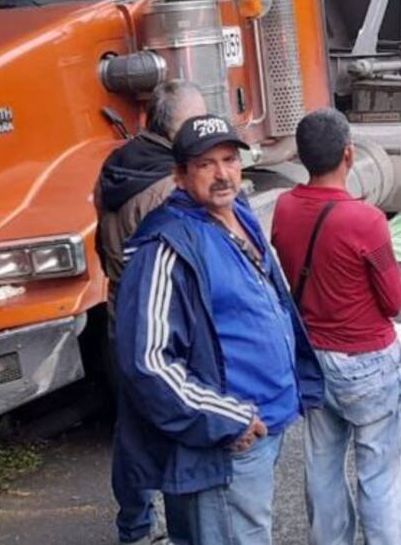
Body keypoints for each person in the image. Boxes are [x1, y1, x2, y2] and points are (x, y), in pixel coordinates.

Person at [113, 114, 324, 545]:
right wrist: (231, 419)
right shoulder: (166, 246)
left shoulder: (237, 213)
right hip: (229, 442)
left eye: (229, 159)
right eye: (206, 164)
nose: (222, 173)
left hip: (265, 424)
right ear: (179, 175)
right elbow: (147, 362)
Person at [271, 109, 401, 545]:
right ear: (349, 155)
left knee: (323, 470)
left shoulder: (284, 207)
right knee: (381, 477)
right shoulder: (366, 220)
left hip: (314, 358)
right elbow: (394, 301)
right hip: (367, 361)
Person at [96, 81, 207, 545]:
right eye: (197, 121)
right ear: (177, 127)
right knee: (169, 425)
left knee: (133, 423)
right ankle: (168, 529)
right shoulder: (166, 186)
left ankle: (135, 523)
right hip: (158, 321)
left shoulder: (119, 165)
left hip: (121, 311)